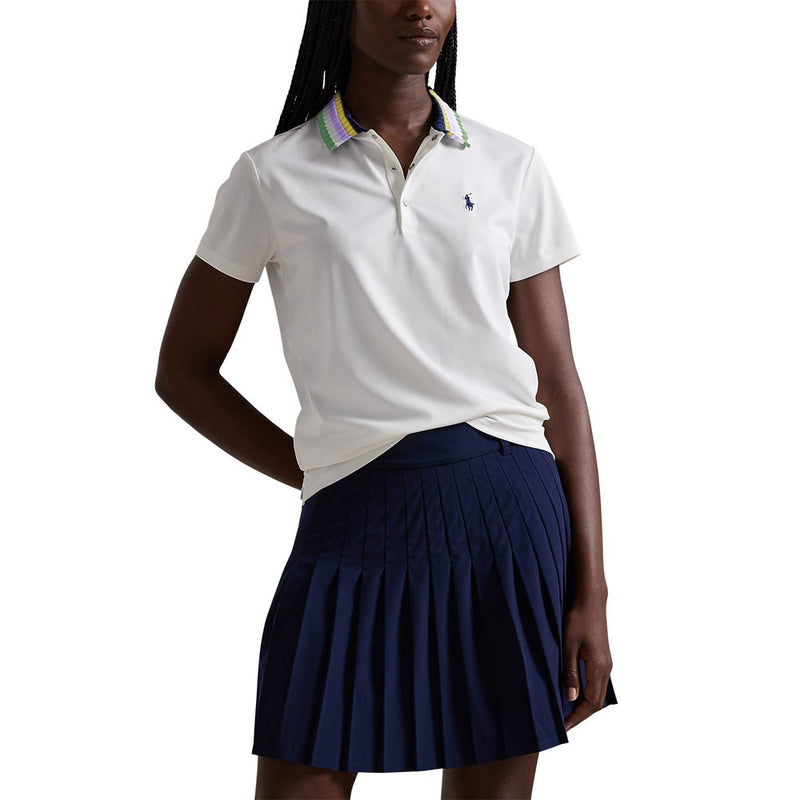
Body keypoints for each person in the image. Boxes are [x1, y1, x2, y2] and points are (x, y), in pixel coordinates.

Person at [155, 1, 618, 798]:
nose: (421, 6)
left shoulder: (510, 166)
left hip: (508, 515)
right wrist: (317, 468)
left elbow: (558, 382)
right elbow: (184, 371)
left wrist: (593, 591)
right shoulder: (272, 175)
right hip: (351, 520)